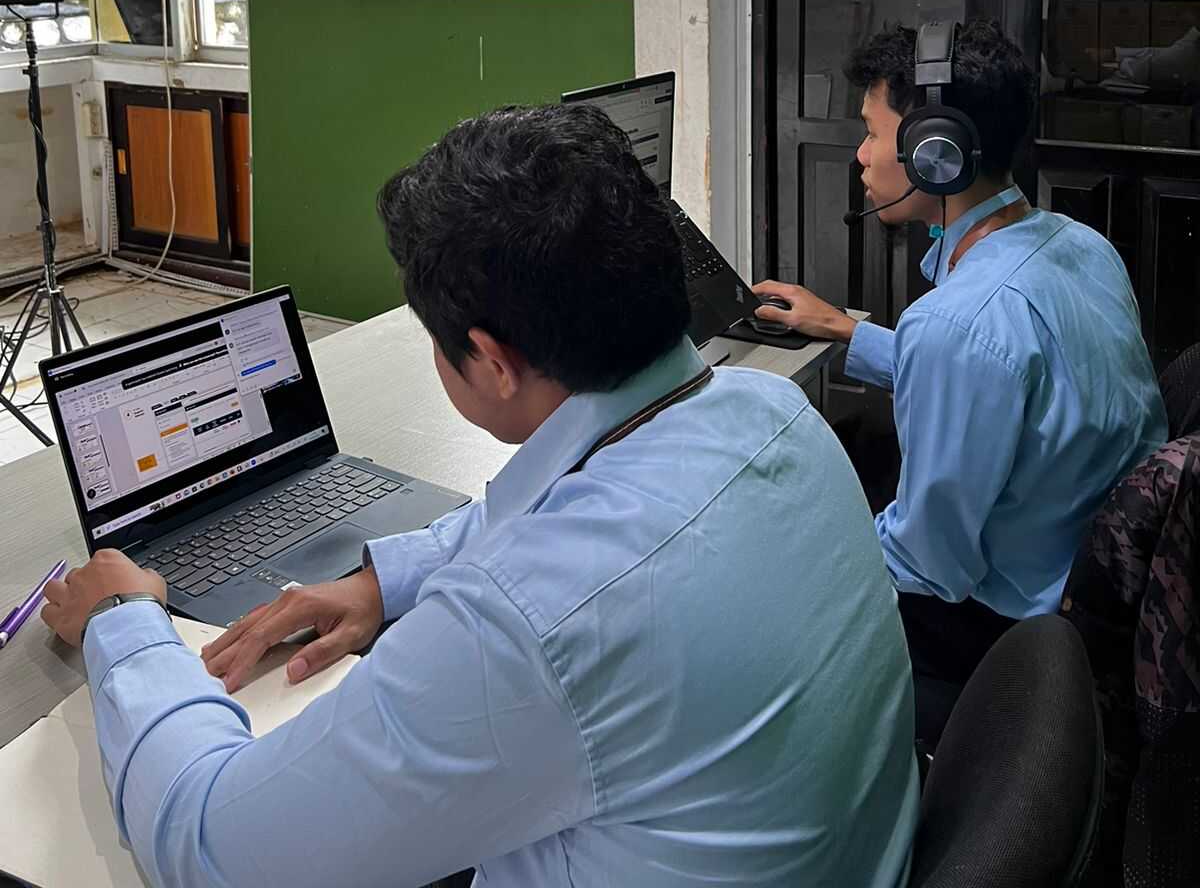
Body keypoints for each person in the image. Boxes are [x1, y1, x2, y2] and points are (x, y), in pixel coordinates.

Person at [43, 104, 918, 888]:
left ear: (493, 363)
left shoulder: (529, 631)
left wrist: (126, 622)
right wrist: (383, 581)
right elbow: (560, 516)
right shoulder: (775, 413)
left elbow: (207, 846)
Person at [755, 20, 1167, 737]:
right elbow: (1010, 379)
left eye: (872, 133)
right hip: (1090, 583)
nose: (860, 155)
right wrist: (848, 332)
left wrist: (801, 549)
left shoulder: (958, 324)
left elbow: (930, 565)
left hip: (1007, 630)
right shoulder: (1083, 245)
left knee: (776, 558)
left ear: (934, 151)